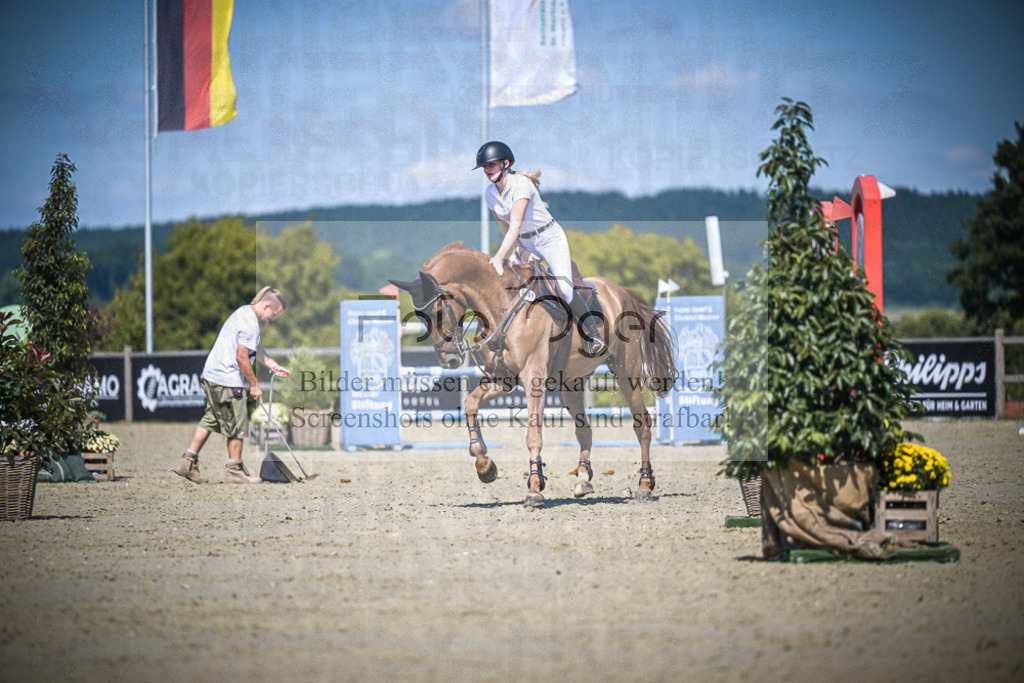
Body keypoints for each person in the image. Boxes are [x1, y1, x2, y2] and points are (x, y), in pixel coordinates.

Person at [474, 140, 607, 357]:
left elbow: (515, 225)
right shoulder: (490, 194)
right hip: (522, 242)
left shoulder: (521, 185)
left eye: (492, 165)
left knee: (564, 288)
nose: (487, 170)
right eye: (485, 167)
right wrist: (521, 250)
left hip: (549, 238)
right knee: (509, 286)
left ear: (506, 163)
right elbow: (505, 227)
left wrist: (499, 256)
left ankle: (592, 335)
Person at [173, 286, 291, 484]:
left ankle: (187, 462)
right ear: (267, 305)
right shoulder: (250, 322)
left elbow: (254, 348)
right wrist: (254, 385)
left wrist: (272, 364)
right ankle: (235, 470)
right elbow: (241, 356)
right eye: (275, 315)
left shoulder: (244, 313)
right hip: (227, 379)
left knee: (211, 418)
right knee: (237, 422)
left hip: (212, 375)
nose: (273, 319)